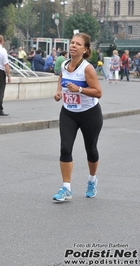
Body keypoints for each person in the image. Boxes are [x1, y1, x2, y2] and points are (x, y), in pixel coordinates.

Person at [53, 33, 103, 202]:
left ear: (85, 49)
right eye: (72, 43)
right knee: (65, 148)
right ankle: (66, 187)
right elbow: (61, 78)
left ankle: (92, 179)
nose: (73, 45)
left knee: (91, 149)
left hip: (89, 113)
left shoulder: (87, 68)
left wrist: (79, 90)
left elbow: (98, 92)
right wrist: (59, 91)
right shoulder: (65, 64)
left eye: (78, 44)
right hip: (68, 112)